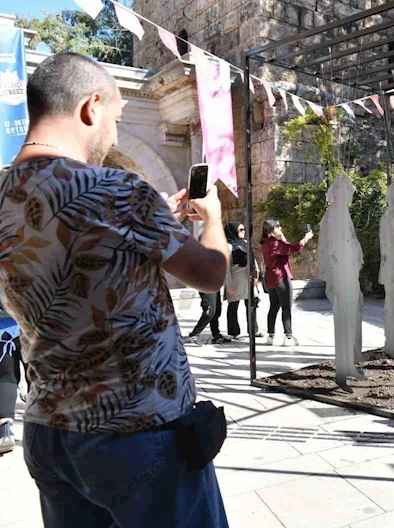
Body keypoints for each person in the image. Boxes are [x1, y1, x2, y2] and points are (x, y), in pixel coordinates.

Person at [0, 52, 229, 526]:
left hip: (48, 431)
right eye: (117, 120)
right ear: (91, 107)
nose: (117, 136)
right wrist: (214, 221)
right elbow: (210, 273)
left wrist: (151, 221)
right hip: (137, 429)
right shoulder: (120, 192)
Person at [261, 218, 313, 346]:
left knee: (273, 306)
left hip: (271, 278)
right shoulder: (275, 244)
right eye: (278, 227)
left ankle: (271, 336)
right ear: (271, 229)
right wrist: (306, 238)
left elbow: (286, 247)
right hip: (281, 278)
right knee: (286, 307)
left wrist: (282, 236)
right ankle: (288, 337)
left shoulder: (266, 242)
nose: (280, 228)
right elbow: (294, 248)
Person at [224, 222, 262, 340]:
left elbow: (252, 258)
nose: (243, 231)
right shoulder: (227, 247)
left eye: (244, 229)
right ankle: (234, 332)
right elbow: (226, 268)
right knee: (233, 306)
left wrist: (256, 273)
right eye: (241, 230)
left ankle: (253, 330)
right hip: (235, 279)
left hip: (248, 278)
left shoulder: (245, 243)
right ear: (233, 231)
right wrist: (228, 284)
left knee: (252, 304)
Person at [0, 308, 22, 454]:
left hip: (3, 327)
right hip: (35, 323)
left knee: (6, 377)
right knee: (39, 377)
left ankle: (6, 430)